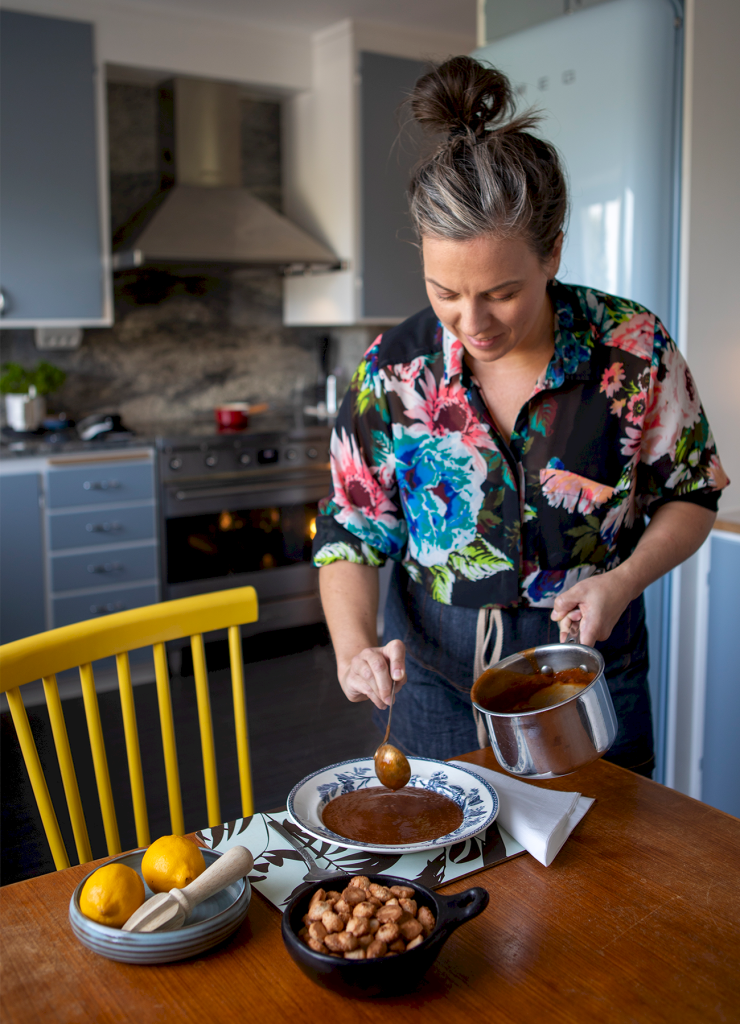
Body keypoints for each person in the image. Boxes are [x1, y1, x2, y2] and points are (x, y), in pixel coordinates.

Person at [312, 56, 728, 777]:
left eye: (501, 293)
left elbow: (691, 493)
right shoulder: (393, 370)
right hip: (436, 676)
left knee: (609, 861)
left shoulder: (631, 349)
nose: (471, 322)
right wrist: (355, 649)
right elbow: (351, 531)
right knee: (454, 863)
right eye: (445, 291)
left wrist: (622, 582)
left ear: (553, 253)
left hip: (587, 662)